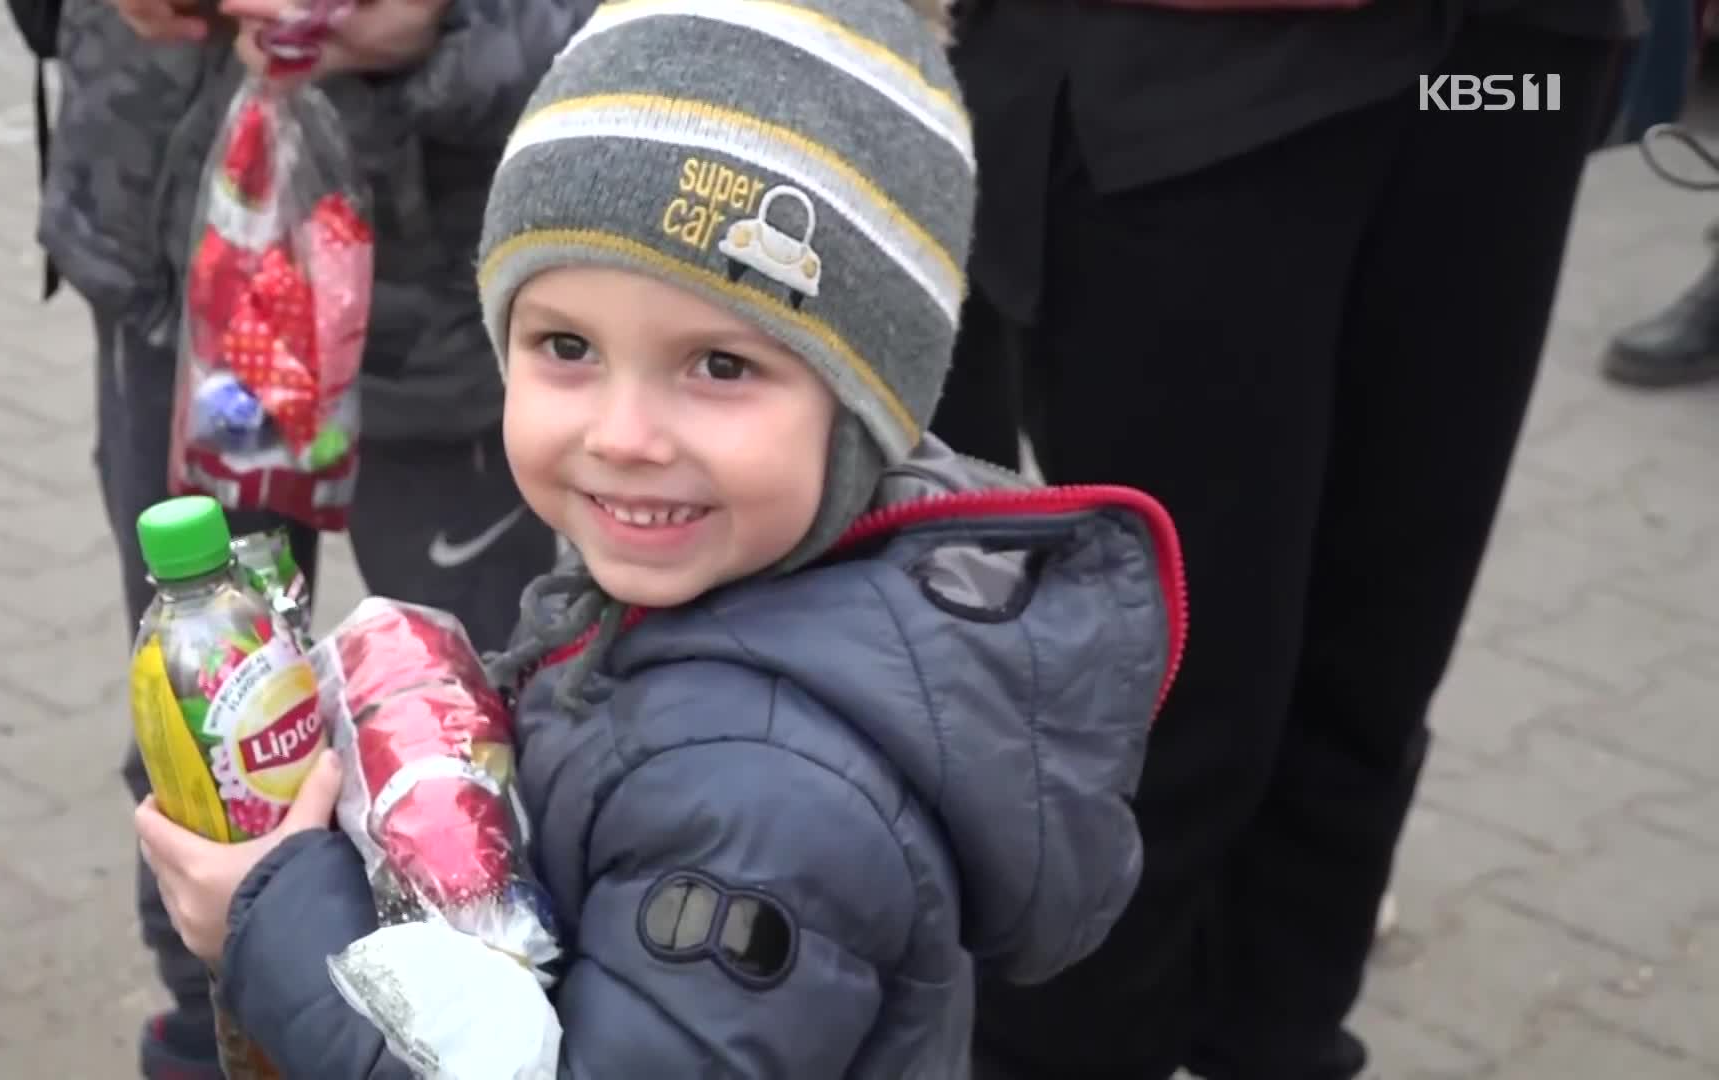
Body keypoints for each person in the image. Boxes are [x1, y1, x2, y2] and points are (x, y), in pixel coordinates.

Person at [131, 0, 1188, 1074]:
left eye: (721, 366)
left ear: (868, 404)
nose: (624, 435)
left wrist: (280, 931)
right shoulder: (702, 611)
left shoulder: (767, 808)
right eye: (566, 345)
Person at [929, 2, 1632, 1078]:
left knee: (1373, 672)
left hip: (1503, 66)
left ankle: (1280, 1040)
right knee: (1167, 719)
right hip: (1193, 71)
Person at [35, 0, 591, 1072]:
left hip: (452, 282)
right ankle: (216, 1039)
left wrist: (451, 24)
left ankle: (498, 1042)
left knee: (469, 748)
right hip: (174, 236)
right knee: (199, 724)